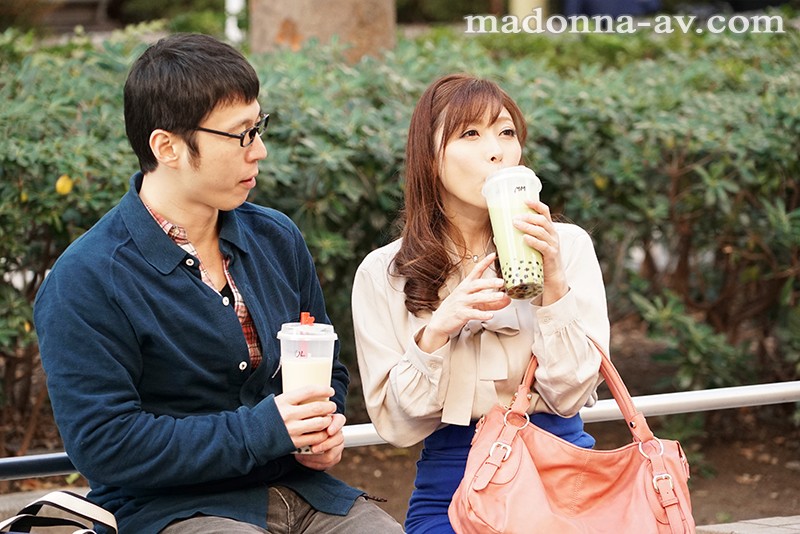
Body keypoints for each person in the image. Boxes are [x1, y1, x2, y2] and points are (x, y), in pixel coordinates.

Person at [33, 33, 404, 534]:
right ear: (167, 147)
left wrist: (321, 424)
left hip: (305, 492)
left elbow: (326, 365)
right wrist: (264, 430)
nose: (260, 150)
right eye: (241, 135)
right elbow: (105, 444)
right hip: (171, 510)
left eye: (258, 127)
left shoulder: (276, 237)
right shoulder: (87, 278)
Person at [352, 73, 610, 533]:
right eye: (470, 134)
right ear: (430, 157)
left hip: (560, 478)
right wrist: (437, 331)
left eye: (506, 133)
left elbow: (571, 394)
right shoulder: (385, 271)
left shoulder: (566, 247)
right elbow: (396, 426)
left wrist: (553, 284)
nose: (496, 151)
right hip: (454, 486)